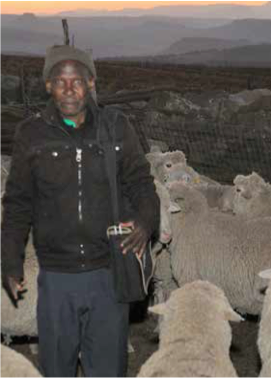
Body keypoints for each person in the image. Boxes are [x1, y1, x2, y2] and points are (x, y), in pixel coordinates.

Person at [1, 45, 160, 377]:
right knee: (57, 368)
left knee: (107, 368)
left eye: (77, 80)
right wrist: (11, 261)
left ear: (90, 82)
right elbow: (17, 202)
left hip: (108, 273)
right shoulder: (31, 134)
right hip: (57, 277)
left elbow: (141, 182)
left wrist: (146, 221)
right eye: (60, 81)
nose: (69, 89)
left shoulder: (116, 127)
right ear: (48, 85)